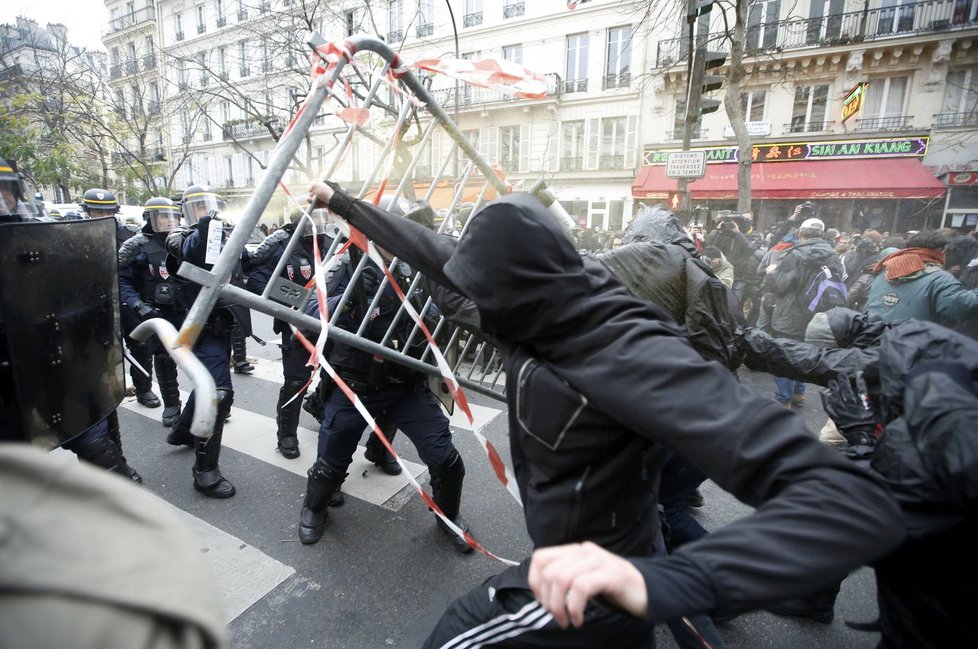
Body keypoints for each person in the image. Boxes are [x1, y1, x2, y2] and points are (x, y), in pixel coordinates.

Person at [307, 181, 904, 648]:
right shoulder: (543, 296)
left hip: (581, 593)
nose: (474, 306)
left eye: (483, 292)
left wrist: (653, 584)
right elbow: (443, 256)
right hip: (607, 558)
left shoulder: (628, 350)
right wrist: (348, 205)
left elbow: (846, 502)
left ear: (514, 289)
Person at [737, 308, 978, 648]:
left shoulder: (943, 423)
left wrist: (865, 440)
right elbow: (820, 360)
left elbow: (905, 504)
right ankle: (815, 597)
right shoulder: (912, 354)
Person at [294, 205, 471, 553]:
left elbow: (438, 309)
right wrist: (342, 308)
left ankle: (448, 516)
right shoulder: (346, 264)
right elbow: (305, 310)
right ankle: (314, 508)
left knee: (446, 459)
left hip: (404, 386)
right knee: (330, 463)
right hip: (355, 385)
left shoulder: (414, 269)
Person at [164, 185, 251, 498]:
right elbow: (193, 252)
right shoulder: (184, 236)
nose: (206, 211)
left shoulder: (230, 236)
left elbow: (250, 269)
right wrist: (205, 226)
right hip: (199, 330)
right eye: (198, 207)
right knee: (218, 394)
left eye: (210, 206)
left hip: (223, 328)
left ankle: (184, 431)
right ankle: (205, 472)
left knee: (208, 386)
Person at [118, 197, 186, 427]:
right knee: (165, 358)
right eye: (163, 216)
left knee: (203, 356)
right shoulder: (138, 246)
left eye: (173, 216)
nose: (169, 221)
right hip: (156, 312)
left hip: (186, 309)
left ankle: (208, 402)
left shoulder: (184, 240)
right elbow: (122, 282)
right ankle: (172, 405)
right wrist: (138, 305)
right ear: (150, 219)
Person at [765, 216, 842, 407]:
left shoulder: (795, 255)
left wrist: (771, 273)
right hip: (817, 314)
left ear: (800, 234)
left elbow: (780, 286)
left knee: (785, 356)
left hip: (790, 314)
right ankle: (799, 393)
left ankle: (783, 399)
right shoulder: (832, 256)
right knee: (804, 353)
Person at [865, 230, 978, 327]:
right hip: (912, 346)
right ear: (941, 251)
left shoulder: (885, 271)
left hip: (874, 344)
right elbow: (962, 308)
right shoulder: (939, 279)